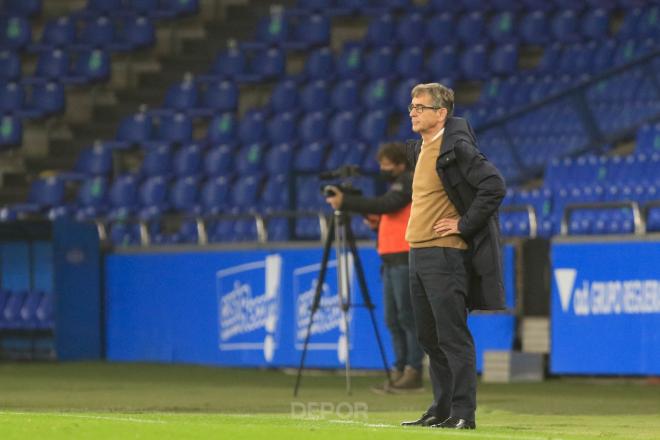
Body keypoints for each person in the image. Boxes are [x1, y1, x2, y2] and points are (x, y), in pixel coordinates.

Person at [399, 83, 506, 430]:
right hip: (417, 251)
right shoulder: (420, 150)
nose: (412, 112)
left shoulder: (457, 147)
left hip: (444, 255)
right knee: (428, 337)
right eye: (411, 106)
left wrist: (463, 224)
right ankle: (441, 409)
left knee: (452, 336)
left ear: (441, 113)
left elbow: (494, 185)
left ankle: (463, 413)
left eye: (420, 107)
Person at [324, 142, 425, 392]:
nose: (382, 169)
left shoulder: (409, 181)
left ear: (401, 164)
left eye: (386, 164)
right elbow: (387, 213)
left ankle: (413, 371)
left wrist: (347, 201)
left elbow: (386, 205)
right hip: (390, 260)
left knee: (406, 317)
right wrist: (376, 223)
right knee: (393, 318)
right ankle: (400, 370)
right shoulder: (397, 187)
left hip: (405, 258)